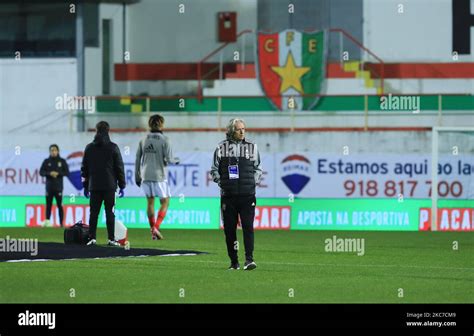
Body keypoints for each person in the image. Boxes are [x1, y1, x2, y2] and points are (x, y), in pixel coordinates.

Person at [210, 118, 262, 270]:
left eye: (244, 129)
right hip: (229, 196)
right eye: (239, 129)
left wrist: (253, 181)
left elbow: (258, 168)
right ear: (232, 131)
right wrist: (222, 183)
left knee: (248, 227)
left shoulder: (252, 148)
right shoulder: (221, 148)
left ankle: (249, 260)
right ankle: (234, 262)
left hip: (247, 195)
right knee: (229, 230)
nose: (242, 132)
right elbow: (214, 169)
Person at [81, 121, 126, 246]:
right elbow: (119, 168)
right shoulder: (113, 147)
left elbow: (84, 168)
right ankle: (111, 239)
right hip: (110, 187)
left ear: (96, 130)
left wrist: (85, 186)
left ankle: (92, 238)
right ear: (108, 131)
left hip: (94, 186)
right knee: (110, 213)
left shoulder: (89, 148)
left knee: (93, 213)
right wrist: (122, 185)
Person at [135, 114, 179, 240]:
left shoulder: (143, 140)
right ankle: (156, 228)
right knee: (165, 202)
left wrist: (137, 176)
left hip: (145, 175)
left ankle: (152, 231)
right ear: (162, 124)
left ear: (149, 124)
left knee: (150, 202)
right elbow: (170, 159)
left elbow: (137, 158)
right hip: (159, 175)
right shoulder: (165, 140)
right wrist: (177, 160)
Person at [39, 144, 70, 227]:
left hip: (59, 188)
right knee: (48, 205)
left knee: (60, 205)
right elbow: (41, 172)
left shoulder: (62, 161)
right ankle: (47, 222)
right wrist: (49, 173)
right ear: (50, 151)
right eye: (52, 150)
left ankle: (61, 224)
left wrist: (58, 174)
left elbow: (67, 172)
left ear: (58, 151)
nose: (53, 152)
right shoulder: (46, 161)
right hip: (49, 188)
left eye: (55, 150)